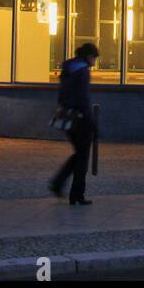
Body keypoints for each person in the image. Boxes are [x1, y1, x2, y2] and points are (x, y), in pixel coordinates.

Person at [49, 42, 99, 206]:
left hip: (67, 116)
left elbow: (63, 93)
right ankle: (76, 194)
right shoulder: (82, 71)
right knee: (82, 156)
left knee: (79, 154)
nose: (94, 61)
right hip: (80, 119)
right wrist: (93, 124)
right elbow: (83, 99)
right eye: (94, 57)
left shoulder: (69, 67)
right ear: (89, 56)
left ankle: (60, 184)